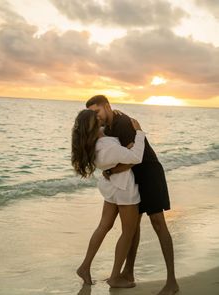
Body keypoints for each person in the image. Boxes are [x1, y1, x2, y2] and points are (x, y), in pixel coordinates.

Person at [86, 95, 179, 295]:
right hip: (132, 179)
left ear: (107, 107)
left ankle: (172, 281)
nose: (96, 117)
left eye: (97, 111)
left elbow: (134, 159)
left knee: (158, 223)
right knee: (132, 228)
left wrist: (110, 172)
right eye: (92, 113)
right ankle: (127, 273)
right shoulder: (108, 127)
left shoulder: (122, 123)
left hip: (150, 174)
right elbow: (112, 154)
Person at [71, 109, 146, 288]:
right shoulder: (107, 147)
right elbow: (137, 157)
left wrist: (123, 151)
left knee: (104, 226)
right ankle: (115, 277)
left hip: (111, 187)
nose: (100, 118)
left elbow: (117, 156)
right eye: (96, 119)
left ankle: (85, 266)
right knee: (129, 231)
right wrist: (140, 133)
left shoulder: (95, 145)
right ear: (93, 127)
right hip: (124, 189)